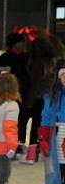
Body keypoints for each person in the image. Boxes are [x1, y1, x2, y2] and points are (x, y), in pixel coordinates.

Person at [24, 34, 60, 164]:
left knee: (36, 126)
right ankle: (48, 152)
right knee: (48, 125)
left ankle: (32, 155)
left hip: (40, 97)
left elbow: (36, 83)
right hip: (52, 96)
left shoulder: (37, 64)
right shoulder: (53, 61)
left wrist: (29, 101)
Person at [0, 33, 30, 154]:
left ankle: (19, 144)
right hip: (9, 96)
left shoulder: (25, 58)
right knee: (9, 121)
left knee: (22, 120)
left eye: (22, 44)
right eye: (18, 44)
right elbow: (2, 78)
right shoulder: (6, 58)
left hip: (23, 95)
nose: (20, 47)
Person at [39, 66, 65, 184]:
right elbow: (46, 117)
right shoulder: (52, 97)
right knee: (54, 167)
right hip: (56, 135)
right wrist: (43, 137)